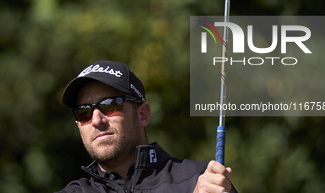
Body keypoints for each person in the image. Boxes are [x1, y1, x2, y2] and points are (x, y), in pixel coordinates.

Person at [56, 60, 238, 193]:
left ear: (142, 115)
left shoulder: (203, 181)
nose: (96, 120)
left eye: (110, 105)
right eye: (83, 112)